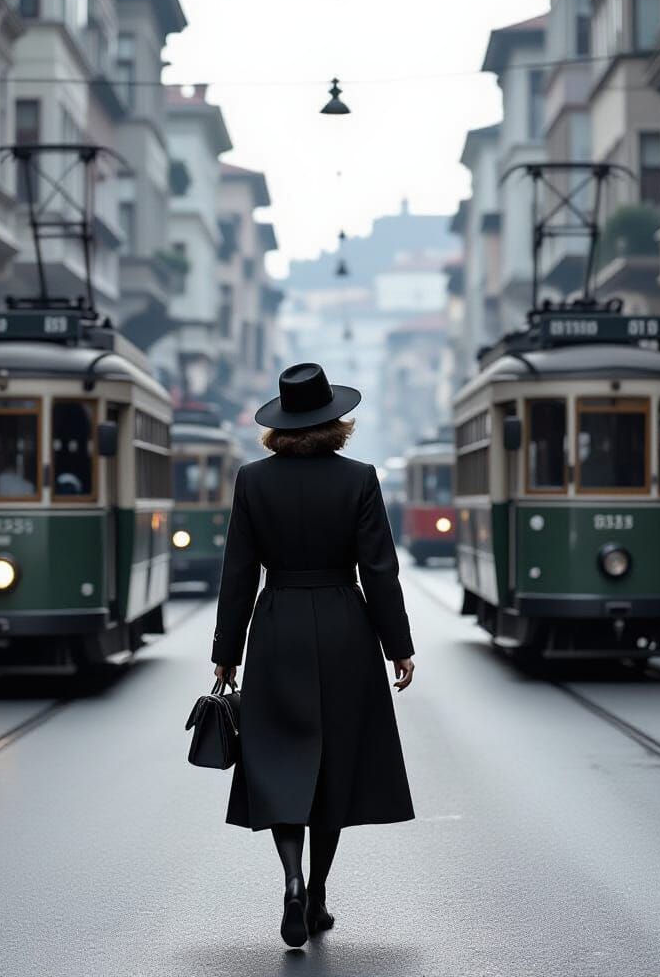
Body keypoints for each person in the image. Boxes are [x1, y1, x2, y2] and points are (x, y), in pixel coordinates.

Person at [212, 362, 415, 949]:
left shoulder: (252, 480)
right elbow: (380, 571)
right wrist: (398, 646)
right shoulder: (359, 479)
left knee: (279, 761)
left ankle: (293, 880)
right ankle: (320, 892)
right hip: (345, 629)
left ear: (279, 424)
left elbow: (238, 574)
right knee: (336, 766)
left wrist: (226, 652)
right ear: (335, 421)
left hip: (276, 630)